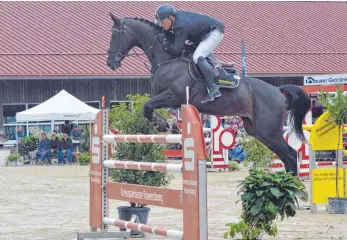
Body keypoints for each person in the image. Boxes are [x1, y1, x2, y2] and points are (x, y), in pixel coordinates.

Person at [155, 4, 224, 103]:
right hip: (202, 33)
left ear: (171, 18)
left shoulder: (180, 26)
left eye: (162, 22)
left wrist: (165, 43)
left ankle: (213, 89)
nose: (161, 24)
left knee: (197, 57)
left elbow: (176, 50)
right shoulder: (174, 19)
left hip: (214, 31)